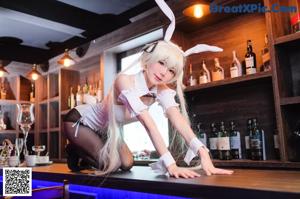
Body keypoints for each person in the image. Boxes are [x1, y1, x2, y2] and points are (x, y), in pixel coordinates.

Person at [63, 40, 233, 178]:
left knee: (127, 163)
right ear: (150, 59)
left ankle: (86, 148)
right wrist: (171, 165)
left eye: (171, 70)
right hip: (80, 121)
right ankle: (74, 149)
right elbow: (148, 123)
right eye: (161, 63)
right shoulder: (124, 81)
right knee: (112, 165)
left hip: (105, 129)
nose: (164, 72)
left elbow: (179, 121)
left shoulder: (162, 90)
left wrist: (203, 153)